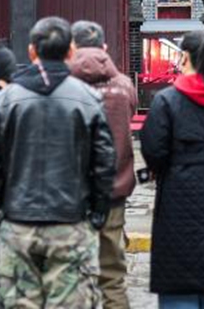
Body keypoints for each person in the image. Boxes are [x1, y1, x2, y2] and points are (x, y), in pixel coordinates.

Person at [0, 16, 116, 308]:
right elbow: (104, 162)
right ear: (70, 52)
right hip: (70, 221)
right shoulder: (88, 98)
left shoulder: (8, 98)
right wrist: (98, 211)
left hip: (18, 220)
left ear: (31, 51)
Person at [140, 28, 204, 309]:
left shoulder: (167, 101)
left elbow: (154, 152)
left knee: (178, 292)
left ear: (184, 58)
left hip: (177, 203)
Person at [69, 20, 138, 309]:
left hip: (71, 196)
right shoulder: (124, 86)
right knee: (112, 277)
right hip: (113, 191)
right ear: (105, 48)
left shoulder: (63, 85)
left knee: (71, 276)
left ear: (72, 48)